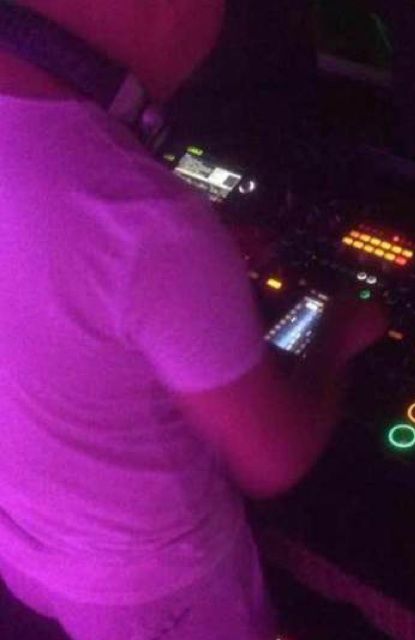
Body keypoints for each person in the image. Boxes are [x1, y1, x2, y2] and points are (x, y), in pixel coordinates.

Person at [0, 1, 387, 639]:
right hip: (157, 588)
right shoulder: (142, 219)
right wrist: (338, 334)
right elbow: (274, 460)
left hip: (24, 548)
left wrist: (191, 275)